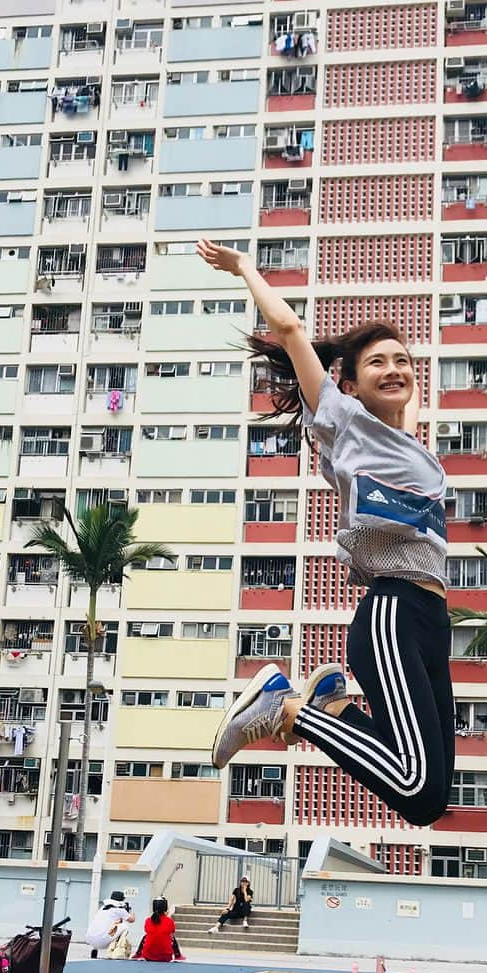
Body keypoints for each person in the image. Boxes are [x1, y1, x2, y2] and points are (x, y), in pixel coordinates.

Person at [198, 238, 454, 827]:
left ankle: (330, 703)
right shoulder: (343, 420)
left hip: (432, 624)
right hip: (393, 609)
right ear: (351, 384)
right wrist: (244, 269)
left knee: (430, 800)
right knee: (413, 788)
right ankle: (285, 705)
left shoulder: (409, 446)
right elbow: (289, 330)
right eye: (377, 363)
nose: (394, 370)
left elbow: (404, 411)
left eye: (403, 361)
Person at [85, 890, 135, 959]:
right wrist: (131, 912)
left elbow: (115, 923)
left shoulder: (103, 908)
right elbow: (132, 920)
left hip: (90, 939)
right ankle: (117, 949)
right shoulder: (120, 910)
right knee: (125, 927)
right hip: (102, 942)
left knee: (106, 927)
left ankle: (95, 949)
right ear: (122, 900)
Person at [133, 897, 184, 962]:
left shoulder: (148, 920)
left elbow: (148, 931)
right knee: (172, 937)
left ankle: (138, 954)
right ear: (165, 908)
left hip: (148, 956)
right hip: (166, 957)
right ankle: (178, 955)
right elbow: (172, 931)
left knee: (145, 936)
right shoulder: (169, 921)